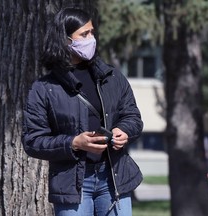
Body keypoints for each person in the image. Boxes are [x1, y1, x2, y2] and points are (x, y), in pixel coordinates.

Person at [22, 7, 143, 216]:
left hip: (113, 178)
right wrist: (74, 143)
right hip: (73, 185)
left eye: (92, 32)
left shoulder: (111, 76)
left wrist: (124, 130)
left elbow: (132, 116)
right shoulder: (44, 88)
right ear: (66, 40)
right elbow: (33, 140)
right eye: (84, 34)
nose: (91, 39)